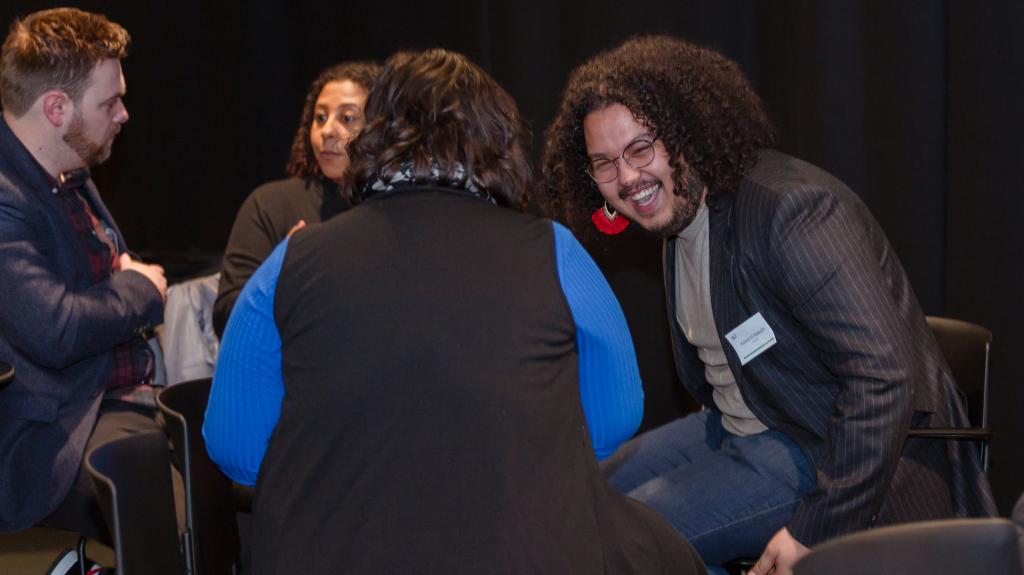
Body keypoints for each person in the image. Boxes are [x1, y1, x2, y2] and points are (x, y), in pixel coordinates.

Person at [204, 48, 706, 574]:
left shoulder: (291, 261)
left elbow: (233, 445)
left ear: (372, 137)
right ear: (497, 143)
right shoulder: (553, 251)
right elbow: (612, 421)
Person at [535, 35, 996, 575]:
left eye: (641, 148)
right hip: (742, 425)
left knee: (613, 542)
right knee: (574, 502)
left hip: (823, 449)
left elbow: (885, 378)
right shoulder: (679, 223)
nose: (628, 177)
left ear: (685, 129)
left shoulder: (791, 211)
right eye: (604, 164)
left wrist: (816, 527)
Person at [0, 6, 169, 562]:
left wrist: (123, 289)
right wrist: (139, 292)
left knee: (244, 459)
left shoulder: (70, 170)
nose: (124, 114)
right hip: (55, 431)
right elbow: (57, 329)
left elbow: (115, 273)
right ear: (56, 108)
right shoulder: (6, 197)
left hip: (118, 397)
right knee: (170, 507)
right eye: (109, 102)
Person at [213, 61, 379, 338]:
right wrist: (278, 272)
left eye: (347, 118)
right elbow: (226, 317)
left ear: (379, 129)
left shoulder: (392, 209)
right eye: (321, 117)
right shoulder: (270, 205)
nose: (327, 131)